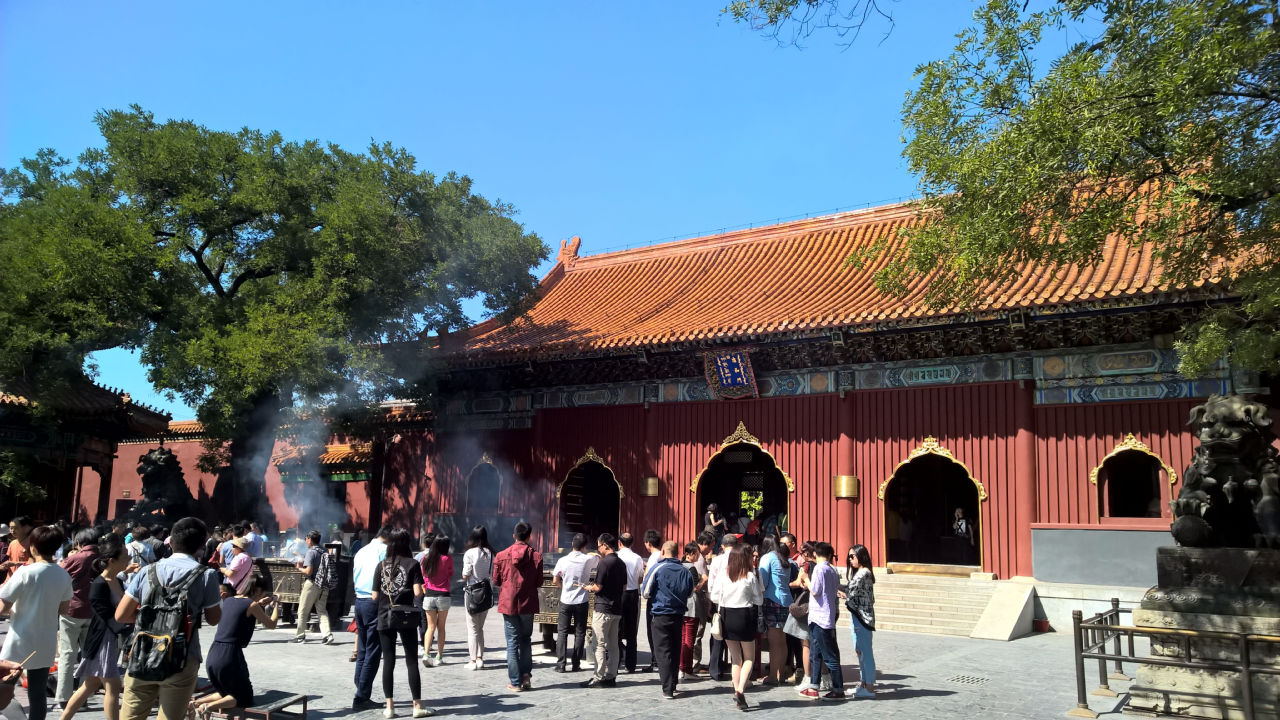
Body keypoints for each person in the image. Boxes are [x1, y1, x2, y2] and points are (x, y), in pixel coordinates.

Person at [114, 518, 221, 720]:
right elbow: (213, 618)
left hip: (142, 654)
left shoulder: (147, 571)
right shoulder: (207, 576)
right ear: (201, 546)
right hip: (183, 656)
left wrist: (149, 615)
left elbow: (121, 615)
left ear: (170, 543)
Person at [0, 525, 72, 720]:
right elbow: (64, 609)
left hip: (19, 638)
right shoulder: (63, 575)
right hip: (45, 640)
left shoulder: (26, 573)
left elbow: (2, 605)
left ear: (33, 547)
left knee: (4, 686)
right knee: (38, 693)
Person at [59, 533, 131, 720]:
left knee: (90, 685)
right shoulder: (99, 584)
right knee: (112, 687)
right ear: (111, 560)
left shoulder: (119, 581)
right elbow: (107, 616)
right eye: (125, 557)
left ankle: (63, 718)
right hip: (102, 639)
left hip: (111, 638)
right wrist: (132, 619)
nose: (129, 560)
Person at [189, 574, 279, 719]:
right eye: (262, 593)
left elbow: (244, 609)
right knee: (244, 697)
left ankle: (195, 703)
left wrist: (259, 602)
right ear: (256, 590)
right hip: (229, 655)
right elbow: (272, 624)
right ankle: (207, 707)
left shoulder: (229, 600)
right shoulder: (252, 605)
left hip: (214, 652)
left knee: (226, 692)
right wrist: (276, 604)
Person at [373, 528, 433, 719]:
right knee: (411, 661)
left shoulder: (381, 565)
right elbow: (417, 593)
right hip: (405, 616)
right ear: (406, 544)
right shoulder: (413, 564)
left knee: (388, 661)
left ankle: (390, 707)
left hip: (384, 615)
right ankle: (417, 706)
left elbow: (374, 595)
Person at [492, 521, 542, 693]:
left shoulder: (500, 556)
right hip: (528, 603)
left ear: (514, 536)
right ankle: (526, 675)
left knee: (512, 643)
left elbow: (496, 581)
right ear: (529, 537)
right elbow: (539, 582)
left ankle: (515, 682)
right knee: (526, 639)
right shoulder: (536, 556)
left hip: (508, 603)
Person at [712, 542, 762, 711]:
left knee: (736, 658)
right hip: (744, 616)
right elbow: (758, 600)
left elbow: (714, 596)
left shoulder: (725, 575)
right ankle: (740, 690)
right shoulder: (750, 576)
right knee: (749, 657)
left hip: (727, 615)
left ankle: (736, 690)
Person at [642, 540, 693, 700]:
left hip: (660, 613)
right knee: (675, 647)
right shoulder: (685, 571)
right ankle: (673, 683)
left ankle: (667, 688)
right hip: (678, 615)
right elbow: (690, 593)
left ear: (663, 552)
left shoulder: (657, 568)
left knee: (663, 651)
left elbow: (645, 592)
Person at [56, 528, 101, 708]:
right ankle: (82, 697)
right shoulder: (104, 558)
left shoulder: (75, 558)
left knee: (68, 653)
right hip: (94, 612)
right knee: (88, 656)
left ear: (80, 542)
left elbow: (58, 575)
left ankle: (64, 697)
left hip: (72, 610)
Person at [351, 527, 390, 710]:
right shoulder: (384, 551)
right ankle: (361, 697)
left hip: (359, 601)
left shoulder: (361, 550)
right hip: (374, 602)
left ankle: (360, 686)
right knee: (373, 651)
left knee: (364, 649)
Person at [799, 542, 844, 700]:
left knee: (829, 657)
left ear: (815, 554)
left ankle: (838, 689)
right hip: (826, 615)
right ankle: (814, 686)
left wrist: (805, 578)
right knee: (815, 654)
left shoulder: (819, 568)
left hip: (820, 618)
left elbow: (816, 590)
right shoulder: (832, 569)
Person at [579, 533, 625, 689]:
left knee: (599, 644)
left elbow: (598, 587)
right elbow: (624, 587)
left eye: (599, 545)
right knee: (613, 645)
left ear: (605, 545)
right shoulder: (620, 563)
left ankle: (598, 676)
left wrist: (588, 587)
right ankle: (611, 676)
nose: (598, 549)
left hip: (603, 608)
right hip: (616, 609)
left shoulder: (604, 563)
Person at [551, 533, 596, 673]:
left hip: (566, 599)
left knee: (562, 632)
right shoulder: (588, 559)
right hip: (581, 599)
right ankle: (576, 663)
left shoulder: (563, 560)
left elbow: (555, 580)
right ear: (584, 546)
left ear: (572, 544)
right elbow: (599, 558)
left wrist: (563, 587)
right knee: (580, 632)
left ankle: (561, 664)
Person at [757, 536, 793, 685]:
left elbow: (763, 581)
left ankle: (772, 675)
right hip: (786, 600)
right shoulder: (784, 558)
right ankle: (781, 672)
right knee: (782, 640)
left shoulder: (767, 558)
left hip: (772, 600)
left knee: (773, 641)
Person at [844, 544, 877, 699]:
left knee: (865, 652)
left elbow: (850, 591)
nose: (850, 559)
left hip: (862, 617)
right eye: (849, 556)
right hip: (859, 616)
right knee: (861, 651)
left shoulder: (863, 573)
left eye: (853, 556)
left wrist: (840, 592)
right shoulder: (863, 572)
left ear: (861, 556)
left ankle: (869, 687)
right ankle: (864, 683)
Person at [460, 526, 494, 671]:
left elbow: (465, 574)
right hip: (487, 591)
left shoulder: (469, 553)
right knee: (480, 627)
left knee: (472, 628)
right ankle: (480, 658)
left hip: (473, 593)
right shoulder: (490, 553)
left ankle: (473, 660)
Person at [293, 531, 333, 644]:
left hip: (312, 584)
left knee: (303, 610)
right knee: (322, 611)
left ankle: (300, 636)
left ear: (310, 539)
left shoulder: (311, 552)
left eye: (306, 539)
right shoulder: (324, 550)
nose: (306, 541)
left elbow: (308, 571)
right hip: (324, 585)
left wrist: (299, 568)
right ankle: (327, 634)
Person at [787, 541, 817, 693]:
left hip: (807, 607)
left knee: (805, 644)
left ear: (807, 553)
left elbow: (798, 583)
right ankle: (824, 677)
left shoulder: (806, 567)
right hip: (821, 609)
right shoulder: (824, 567)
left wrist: (789, 582)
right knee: (818, 644)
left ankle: (808, 676)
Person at [419, 536, 453, 667]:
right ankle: (439, 656)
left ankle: (426, 654)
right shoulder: (447, 558)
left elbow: (424, 576)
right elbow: (450, 573)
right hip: (443, 594)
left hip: (429, 595)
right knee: (441, 627)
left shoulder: (426, 558)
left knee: (430, 627)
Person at [614, 532, 645, 673]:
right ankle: (630, 664)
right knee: (632, 632)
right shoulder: (638, 558)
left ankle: (616, 661)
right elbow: (640, 579)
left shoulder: (616, 556)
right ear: (632, 543)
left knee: (616, 630)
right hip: (632, 594)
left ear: (620, 542)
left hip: (618, 594)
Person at [704, 535, 734, 682]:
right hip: (737, 601)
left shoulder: (717, 560)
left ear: (722, 546)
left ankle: (715, 668)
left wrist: (710, 602)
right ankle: (737, 667)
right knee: (734, 636)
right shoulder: (741, 558)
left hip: (719, 600)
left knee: (717, 633)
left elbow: (711, 583)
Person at [678, 542, 706, 680]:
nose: (698, 556)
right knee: (689, 640)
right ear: (690, 554)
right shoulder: (692, 569)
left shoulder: (680, 566)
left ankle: (682, 668)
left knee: (683, 639)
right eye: (696, 553)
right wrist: (703, 581)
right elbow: (694, 589)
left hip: (681, 606)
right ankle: (686, 669)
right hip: (691, 606)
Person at [640, 529, 662, 673]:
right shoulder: (661, 555)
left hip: (653, 598)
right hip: (661, 597)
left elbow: (648, 579)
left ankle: (655, 660)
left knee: (652, 631)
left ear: (648, 543)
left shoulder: (654, 557)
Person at [2, 516, 34, 585]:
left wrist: (15, 563)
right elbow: (10, 560)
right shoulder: (12, 543)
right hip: (9, 580)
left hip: (23, 582)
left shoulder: (32, 544)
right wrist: (3, 566)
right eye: (11, 528)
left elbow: (35, 564)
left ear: (25, 528)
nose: (12, 531)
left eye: (15, 528)